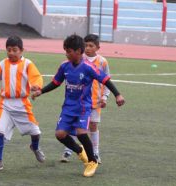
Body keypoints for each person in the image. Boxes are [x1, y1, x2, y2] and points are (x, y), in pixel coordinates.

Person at [31, 34, 125, 177]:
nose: (66, 54)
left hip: (83, 107)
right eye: (66, 51)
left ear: (78, 51)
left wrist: (117, 94)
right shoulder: (64, 66)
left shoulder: (89, 67)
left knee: (81, 133)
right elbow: (56, 83)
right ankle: (79, 151)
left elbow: (105, 80)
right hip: (68, 107)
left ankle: (92, 161)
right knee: (60, 134)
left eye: (69, 51)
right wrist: (41, 91)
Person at [0, 36, 45, 171]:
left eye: (14, 50)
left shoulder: (27, 64)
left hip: (22, 104)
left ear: (22, 50)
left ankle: (34, 147)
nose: (11, 53)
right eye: (9, 50)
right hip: (5, 104)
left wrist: (36, 85)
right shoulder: (2, 64)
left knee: (36, 132)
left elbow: (36, 77)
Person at [61, 34, 110, 164]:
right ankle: (69, 149)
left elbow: (107, 80)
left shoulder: (102, 62)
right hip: (79, 101)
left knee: (93, 126)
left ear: (97, 47)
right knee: (74, 124)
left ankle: (95, 152)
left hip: (96, 100)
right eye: (86, 45)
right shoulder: (77, 60)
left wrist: (105, 97)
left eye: (91, 45)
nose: (88, 48)